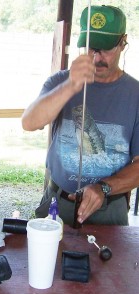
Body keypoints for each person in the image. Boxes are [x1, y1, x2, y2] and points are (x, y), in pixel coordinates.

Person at [22, 5, 139, 226]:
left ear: (123, 43)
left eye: (106, 48)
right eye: (90, 48)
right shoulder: (59, 82)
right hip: (59, 198)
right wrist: (71, 85)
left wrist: (104, 187)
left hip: (109, 206)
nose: (96, 58)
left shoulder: (135, 94)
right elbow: (29, 122)